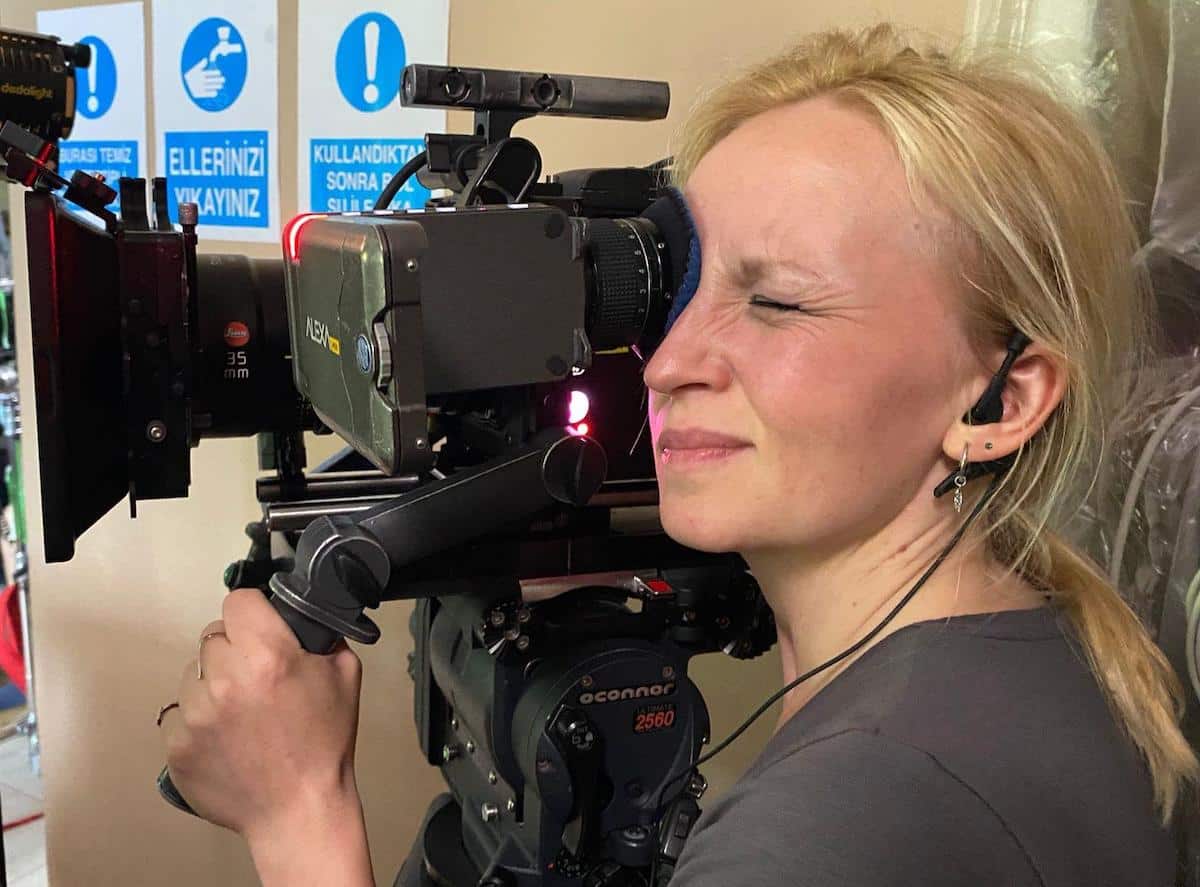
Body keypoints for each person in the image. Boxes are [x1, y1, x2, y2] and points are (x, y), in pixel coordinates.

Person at [159, 24, 1198, 886]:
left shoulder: (835, 827)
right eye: (679, 291)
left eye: (776, 301)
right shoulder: (1047, 654)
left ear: (1001, 398)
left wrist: (298, 816)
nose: (666, 365)